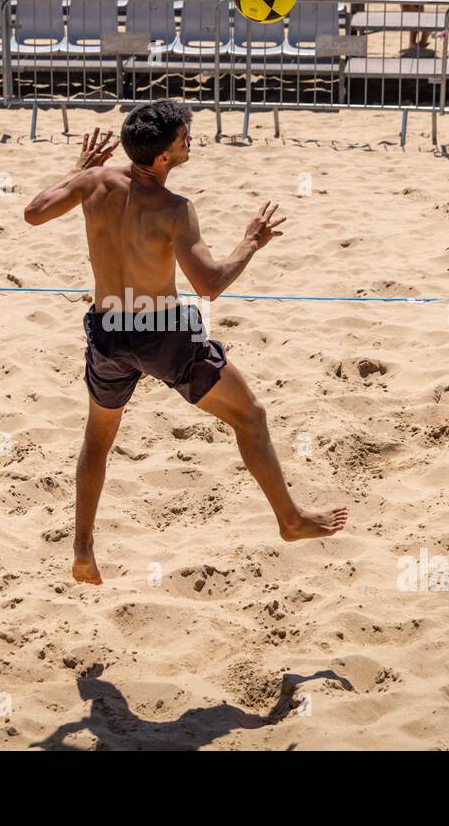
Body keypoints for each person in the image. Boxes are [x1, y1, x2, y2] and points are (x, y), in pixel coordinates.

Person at [24, 100, 347, 585]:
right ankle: (290, 519)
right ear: (161, 159)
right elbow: (209, 284)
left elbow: (32, 214)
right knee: (250, 415)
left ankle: (84, 549)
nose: (189, 141)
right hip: (164, 335)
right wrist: (250, 242)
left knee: (97, 440)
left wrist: (77, 169)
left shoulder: (93, 183)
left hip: (109, 333)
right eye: (183, 139)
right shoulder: (175, 210)